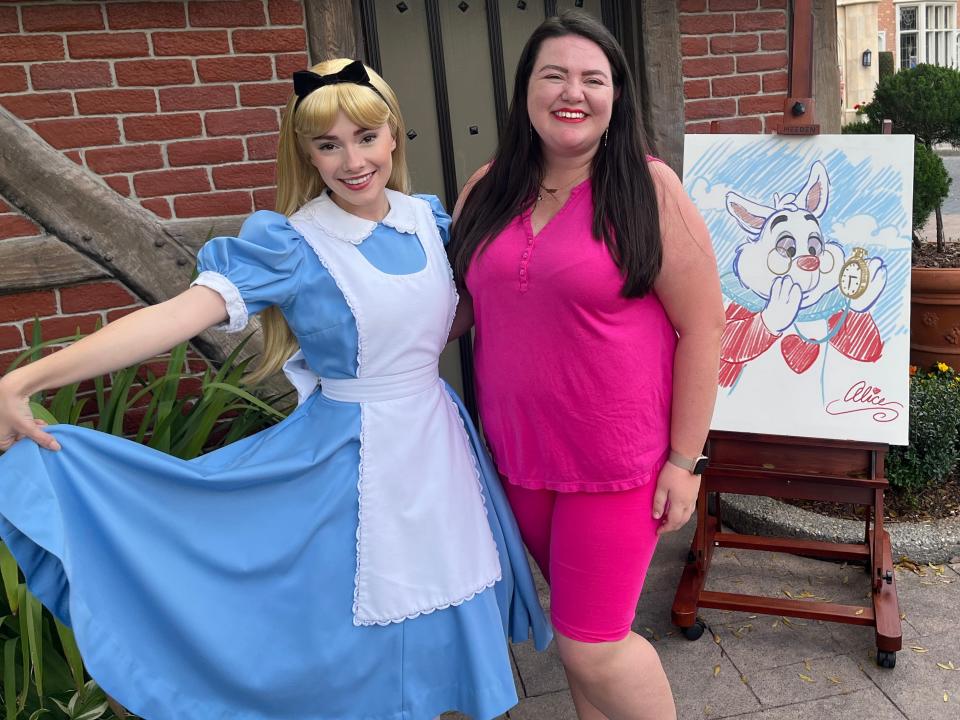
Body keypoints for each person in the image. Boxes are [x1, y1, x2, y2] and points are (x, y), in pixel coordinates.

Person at [0, 58, 550, 720]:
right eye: (328, 144)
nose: (352, 160)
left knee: (446, 632)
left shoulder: (428, 222)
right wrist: (27, 377)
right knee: (351, 648)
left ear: (394, 136)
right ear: (307, 154)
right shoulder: (291, 245)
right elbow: (175, 318)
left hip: (439, 453)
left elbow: (462, 312)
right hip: (347, 468)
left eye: (366, 137)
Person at [449, 11, 724, 720]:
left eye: (592, 80)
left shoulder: (649, 189)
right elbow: (456, 311)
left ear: (615, 97)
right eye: (555, 76)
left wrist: (684, 463)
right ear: (527, 92)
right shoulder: (487, 189)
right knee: (579, 634)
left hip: (618, 464)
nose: (573, 92)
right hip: (521, 459)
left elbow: (704, 327)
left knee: (592, 645)